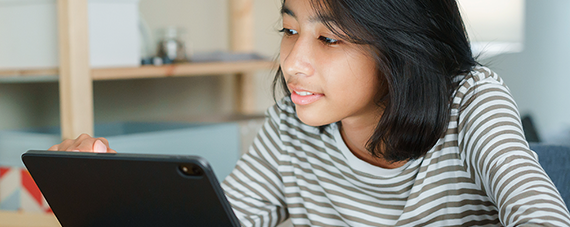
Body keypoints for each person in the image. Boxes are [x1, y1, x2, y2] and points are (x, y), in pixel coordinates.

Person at [50, 0, 570, 226]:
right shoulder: (292, 128)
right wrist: (104, 201)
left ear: (402, 46)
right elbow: (224, 221)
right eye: (288, 30)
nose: (294, 62)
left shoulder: (471, 101)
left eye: (328, 38)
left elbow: (541, 216)